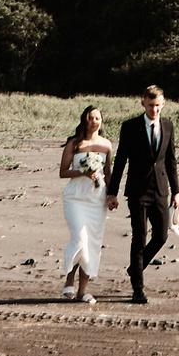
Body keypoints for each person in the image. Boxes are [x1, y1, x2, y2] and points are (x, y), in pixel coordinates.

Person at [103, 83, 179, 304]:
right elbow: (120, 161)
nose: (154, 110)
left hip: (161, 190)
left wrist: (176, 192)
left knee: (161, 236)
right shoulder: (130, 127)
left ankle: (134, 268)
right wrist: (113, 192)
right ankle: (138, 289)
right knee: (139, 238)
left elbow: (171, 160)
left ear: (163, 104)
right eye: (150, 106)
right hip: (137, 191)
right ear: (143, 104)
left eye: (157, 106)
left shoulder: (168, 126)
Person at [56, 105, 114, 304]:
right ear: (84, 120)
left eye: (98, 118)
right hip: (76, 197)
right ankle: (69, 279)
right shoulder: (74, 144)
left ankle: (82, 291)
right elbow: (63, 172)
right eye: (91, 117)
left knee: (92, 244)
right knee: (80, 240)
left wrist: (112, 196)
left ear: (101, 121)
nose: (94, 121)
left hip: (97, 199)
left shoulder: (106, 145)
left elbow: (108, 173)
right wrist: (82, 172)